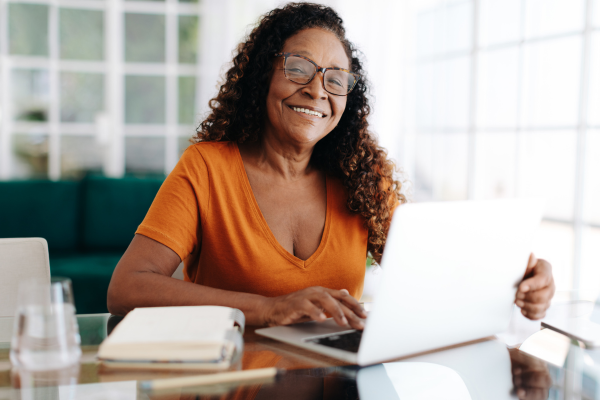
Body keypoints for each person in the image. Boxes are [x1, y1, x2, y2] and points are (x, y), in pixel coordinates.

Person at [107, 3, 555, 327]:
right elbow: (127, 288)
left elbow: (444, 274)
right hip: (233, 380)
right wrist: (270, 307)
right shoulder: (207, 167)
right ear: (264, 75)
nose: (317, 90)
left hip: (339, 382)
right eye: (299, 68)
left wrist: (524, 279)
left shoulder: (362, 177)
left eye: (335, 78)